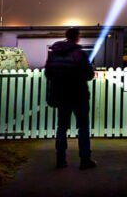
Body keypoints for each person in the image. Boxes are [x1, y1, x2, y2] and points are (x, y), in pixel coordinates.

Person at [44, 27, 97, 170]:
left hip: (61, 95)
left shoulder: (54, 53)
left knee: (62, 127)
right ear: (77, 37)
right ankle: (85, 160)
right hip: (79, 95)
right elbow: (89, 75)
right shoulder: (79, 54)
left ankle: (60, 160)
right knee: (83, 127)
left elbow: (48, 73)